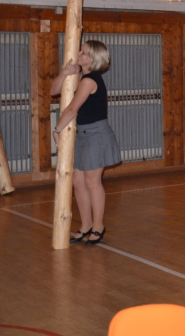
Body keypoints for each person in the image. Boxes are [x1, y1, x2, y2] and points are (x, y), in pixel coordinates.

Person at [51, 40, 121, 245]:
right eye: (81, 51)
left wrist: (57, 130)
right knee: (78, 182)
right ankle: (86, 225)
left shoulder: (91, 79)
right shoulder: (79, 74)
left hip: (96, 134)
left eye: (84, 53)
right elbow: (53, 91)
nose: (79, 54)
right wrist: (65, 73)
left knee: (92, 181)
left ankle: (98, 226)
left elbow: (72, 109)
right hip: (82, 135)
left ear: (94, 59)